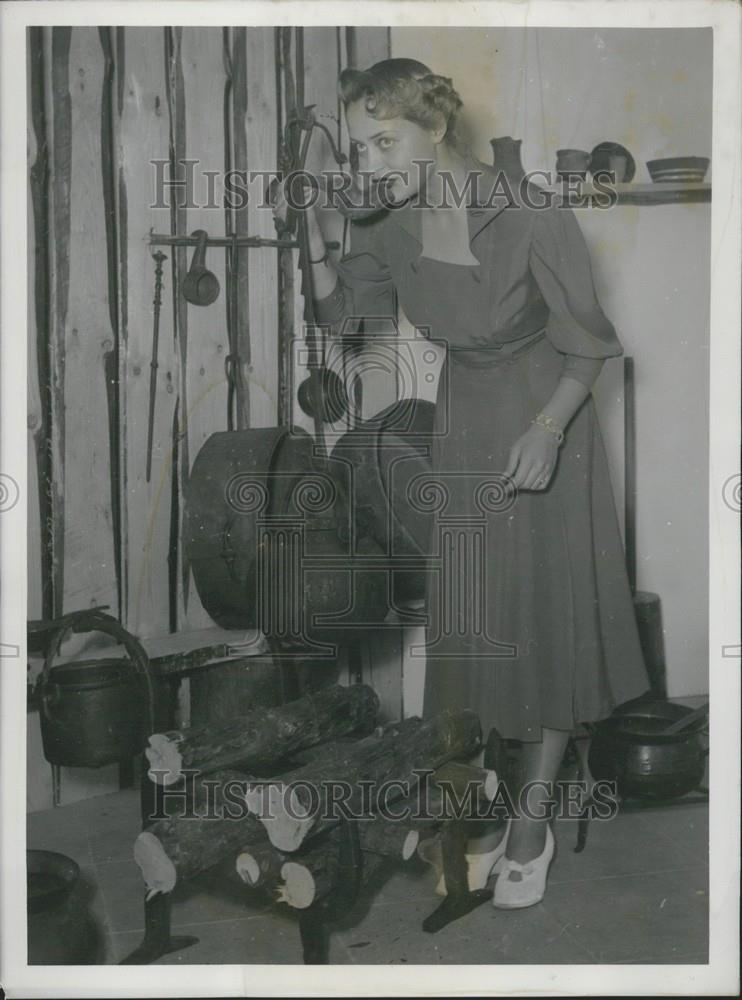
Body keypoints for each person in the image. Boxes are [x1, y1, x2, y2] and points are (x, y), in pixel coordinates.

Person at [272, 57, 649, 909]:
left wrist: (549, 431)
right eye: (359, 148)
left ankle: (533, 819)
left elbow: (590, 343)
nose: (369, 163)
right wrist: (317, 230)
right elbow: (344, 318)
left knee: (546, 620)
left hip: (548, 413)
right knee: (478, 614)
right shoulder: (386, 222)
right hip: (468, 415)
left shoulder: (530, 215)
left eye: (384, 140)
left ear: (434, 128)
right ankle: (475, 793)